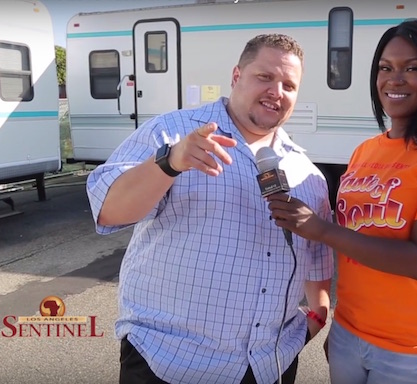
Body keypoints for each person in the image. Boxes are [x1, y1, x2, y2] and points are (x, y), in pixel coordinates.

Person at [86, 33, 333, 384]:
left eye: (289, 85)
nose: (276, 91)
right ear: (236, 76)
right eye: (264, 77)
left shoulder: (308, 174)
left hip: (268, 367)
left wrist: (315, 319)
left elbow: (317, 263)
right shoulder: (172, 133)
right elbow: (108, 210)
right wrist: (170, 163)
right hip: (169, 363)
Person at [266, 19, 417, 384]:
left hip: (411, 346)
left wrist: (321, 230)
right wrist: (341, 327)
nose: (394, 79)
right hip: (350, 333)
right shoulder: (365, 150)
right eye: (385, 68)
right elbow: (358, 248)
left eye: (412, 68)